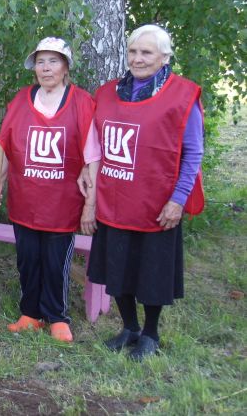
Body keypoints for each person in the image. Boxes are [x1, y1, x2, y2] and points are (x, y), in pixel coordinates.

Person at [83, 24, 204, 360]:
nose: (137, 58)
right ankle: (129, 327)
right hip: (115, 198)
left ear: (164, 57)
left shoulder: (182, 95)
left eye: (146, 52)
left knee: (151, 272)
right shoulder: (107, 93)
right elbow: (95, 145)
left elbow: (193, 152)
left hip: (157, 201)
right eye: (133, 51)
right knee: (117, 269)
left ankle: (150, 333)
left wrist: (178, 199)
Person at [0, 37, 100, 342]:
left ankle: (56, 316)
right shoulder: (21, 100)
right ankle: (30, 313)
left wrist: (91, 201)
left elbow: (92, 155)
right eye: (40, 61)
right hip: (26, 197)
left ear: (65, 67)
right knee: (28, 258)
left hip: (62, 201)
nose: (46, 68)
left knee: (55, 260)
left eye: (53, 61)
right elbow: (7, 147)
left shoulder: (81, 102)